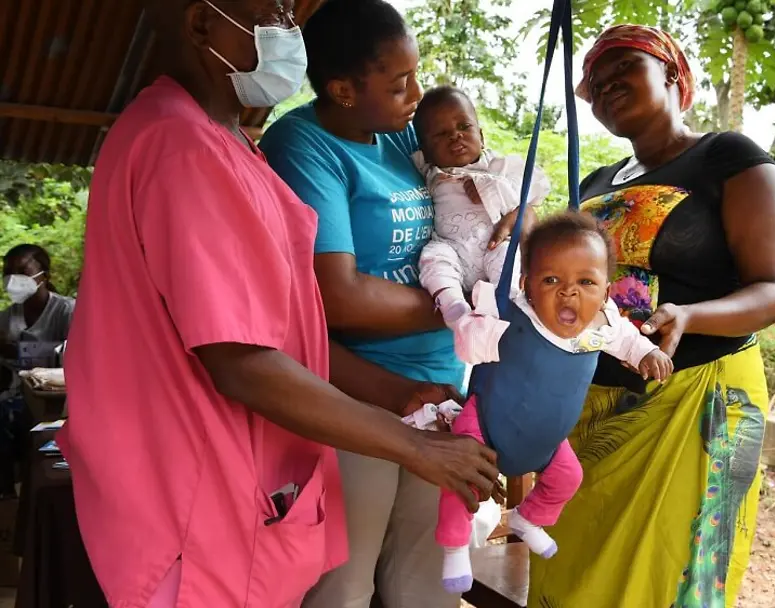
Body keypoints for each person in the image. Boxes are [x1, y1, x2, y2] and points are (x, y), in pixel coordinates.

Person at [59, 0, 498, 606]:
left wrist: (401, 396)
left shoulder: (221, 140)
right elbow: (242, 360)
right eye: (274, 12)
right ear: (202, 24)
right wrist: (414, 441)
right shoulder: (183, 148)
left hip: (232, 496)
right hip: (192, 503)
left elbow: (291, 332)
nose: (290, 29)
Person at [259, 2, 526, 606]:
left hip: (444, 392)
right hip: (356, 399)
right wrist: (461, 305)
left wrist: (520, 222)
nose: (417, 94)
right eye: (400, 81)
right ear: (343, 90)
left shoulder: (404, 131)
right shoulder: (304, 145)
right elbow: (339, 297)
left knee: (427, 580)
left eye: (416, 74)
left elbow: (485, 190)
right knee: (344, 584)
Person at [527, 25, 775, 608]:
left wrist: (691, 316)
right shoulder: (595, 183)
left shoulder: (727, 158)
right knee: (569, 574)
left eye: (623, 68)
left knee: (664, 575)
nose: (606, 86)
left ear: (673, 75)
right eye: (595, 83)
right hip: (590, 412)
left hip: (693, 399)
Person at [437, 212, 672, 593]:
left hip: (545, 439)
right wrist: (474, 324)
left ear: (605, 292)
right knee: (462, 478)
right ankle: (454, 547)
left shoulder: (602, 325)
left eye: (585, 282)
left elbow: (629, 341)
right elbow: (469, 339)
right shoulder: (515, 313)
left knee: (568, 477)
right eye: (551, 280)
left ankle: (528, 519)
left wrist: (648, 354)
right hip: (487, 421)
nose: (568, 293)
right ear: (527, 285)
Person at [411, 85, 550, 329]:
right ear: (426, 152)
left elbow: (537, 185)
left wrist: (490, 188)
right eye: (441, 134)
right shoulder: (429, 172)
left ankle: (500, 305)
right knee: (433, 257)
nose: (455, 136)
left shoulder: (496, 166)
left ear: (482, 136)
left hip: (492, 246)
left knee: (507, 257)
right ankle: (452, 303)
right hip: (452, 249)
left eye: (464, 126)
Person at [0, 244, 75, 497]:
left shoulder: (67, 311)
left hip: (56, 400)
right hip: (13, 397)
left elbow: (74, 354)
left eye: (22, 272)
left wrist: (18, 351)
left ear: (44, 276)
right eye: (7, 273)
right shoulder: (7, 318)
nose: (13, 280)